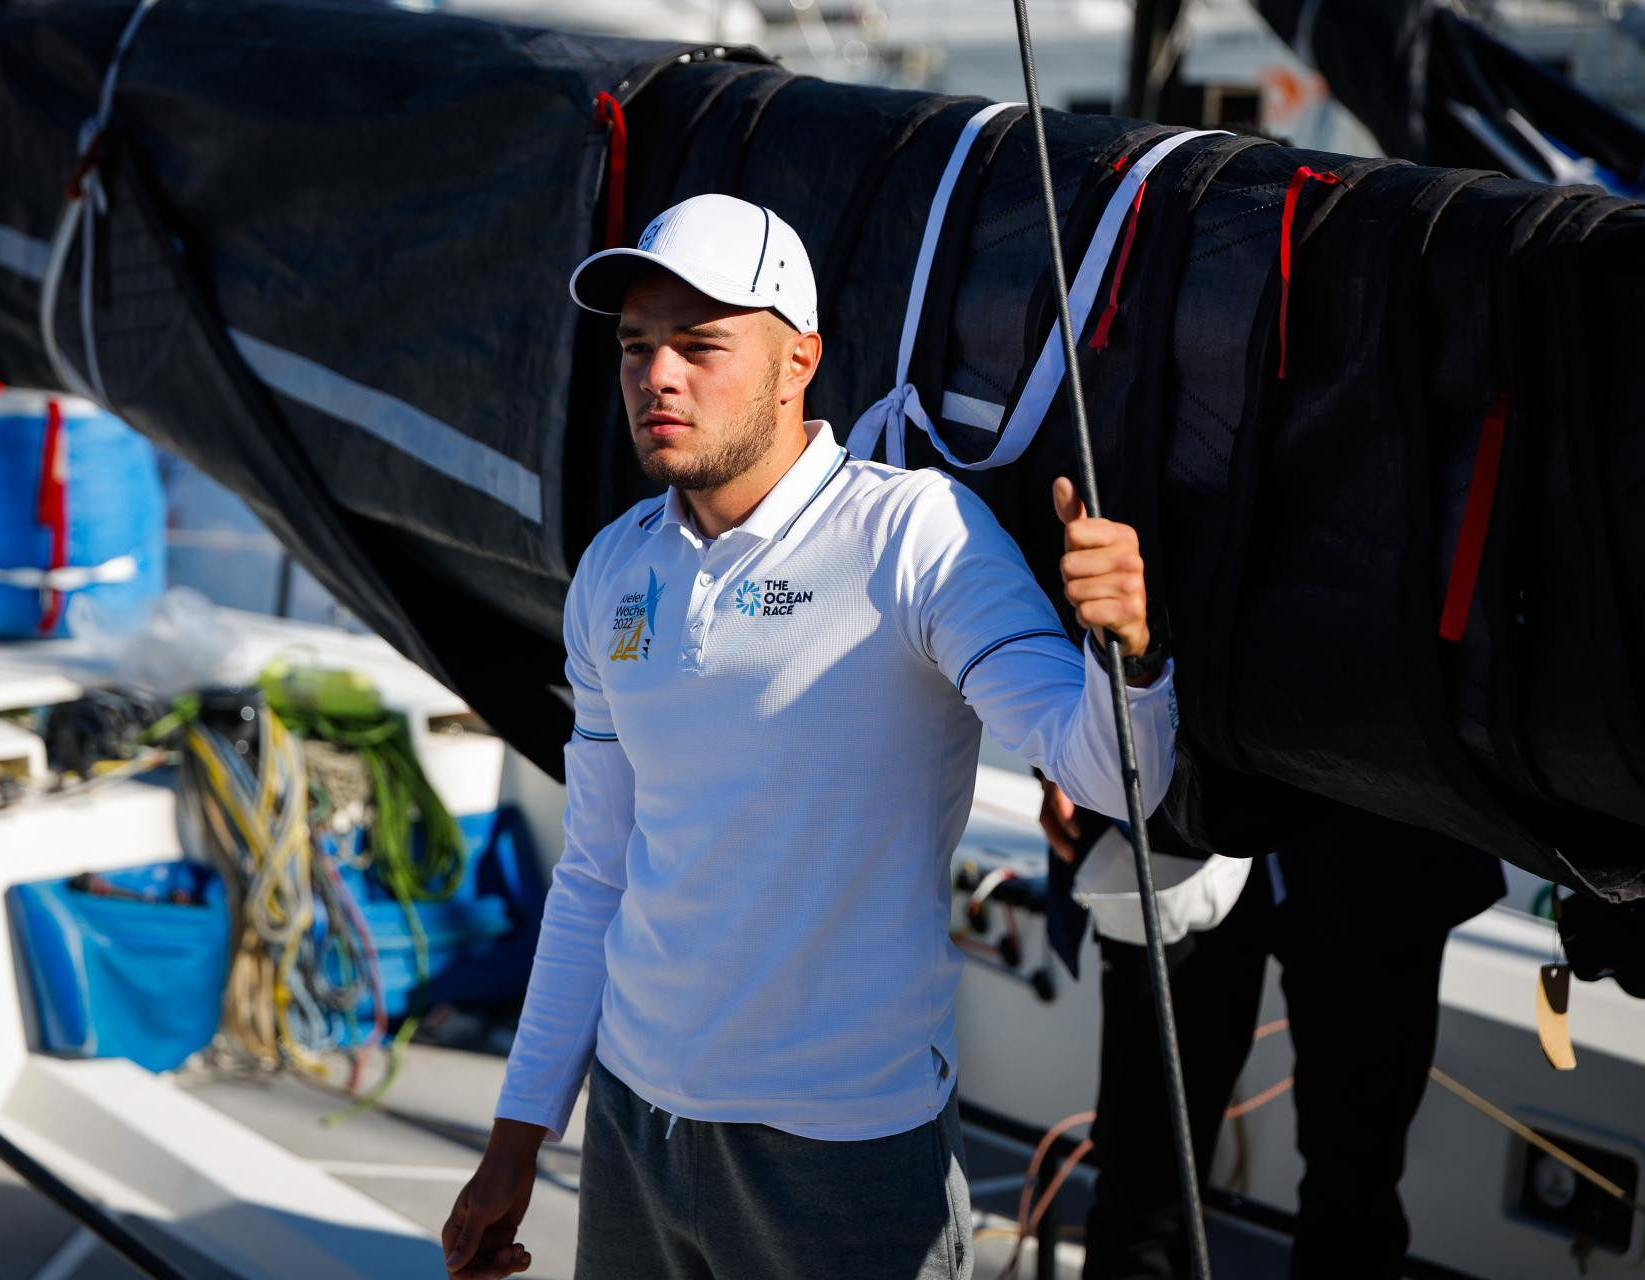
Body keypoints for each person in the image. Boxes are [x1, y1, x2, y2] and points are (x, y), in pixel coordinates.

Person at [441, 192, 1178, 1280]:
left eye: (700, 344)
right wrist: (518, 1136)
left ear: (800, 361)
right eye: (636, 346)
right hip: (635, 1128)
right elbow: (596, 871)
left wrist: (1131, 652)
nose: (657, 376)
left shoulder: (916, 536)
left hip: (848, 1150)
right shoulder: (613, 568)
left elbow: (1113, 777)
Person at [1040, 783, 1506, 1279]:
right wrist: (1055, 754)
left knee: (1355, 1195)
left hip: (1383, 826)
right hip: (1168, 811)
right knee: (1142, 1181)